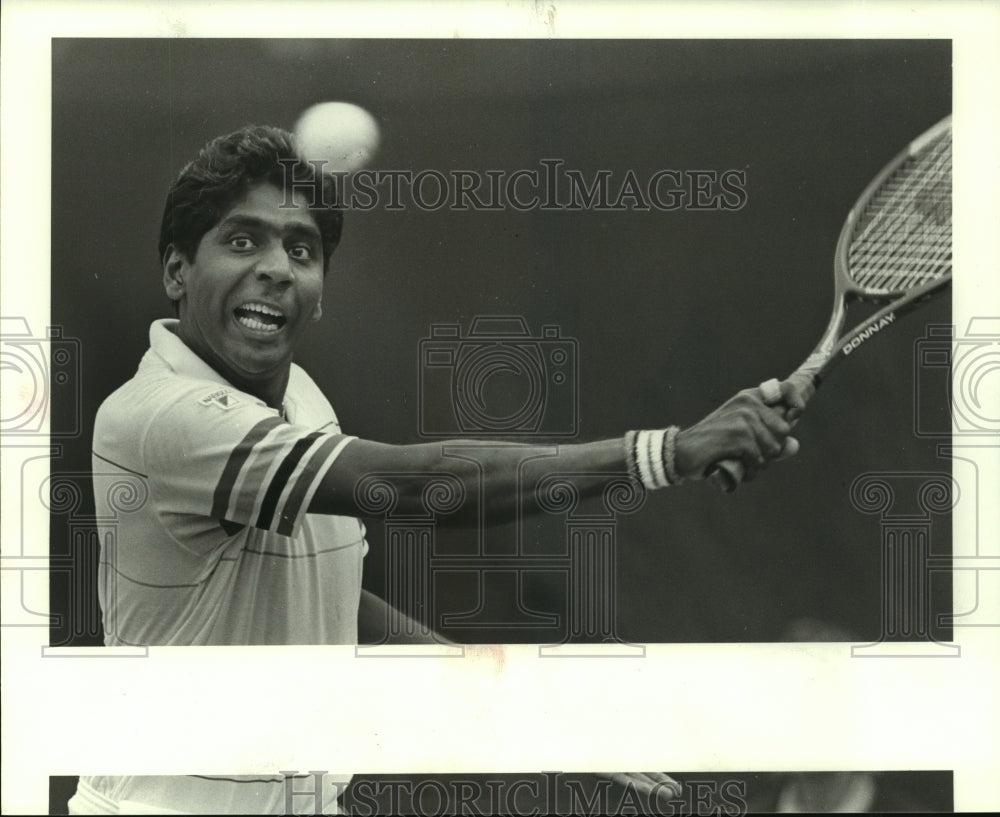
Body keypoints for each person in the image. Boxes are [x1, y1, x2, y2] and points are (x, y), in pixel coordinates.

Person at [70, 125, 803, 815]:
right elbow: (422, 488)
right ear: (176, 269)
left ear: (320, 287)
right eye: (241, 240)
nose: (274, 268)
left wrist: (516, 705)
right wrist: (669, 451)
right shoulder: (161, 416)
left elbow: (335, 603)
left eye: (301, 249)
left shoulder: (300, 399)